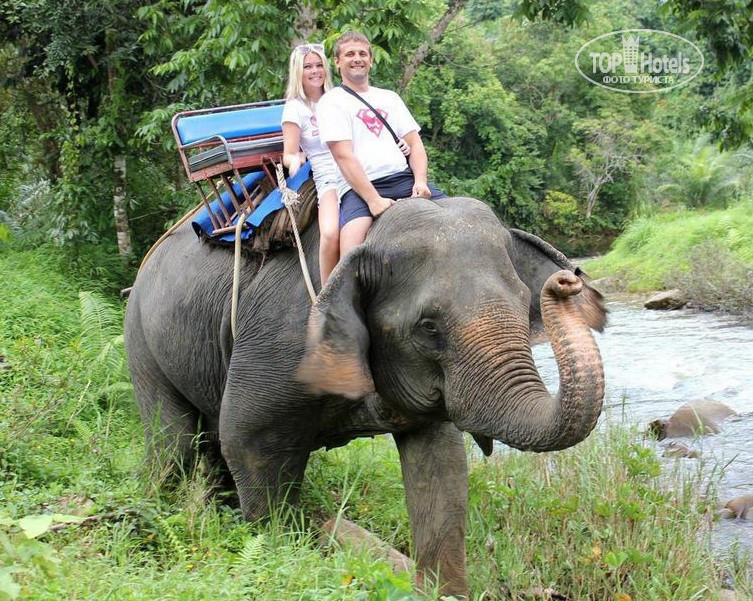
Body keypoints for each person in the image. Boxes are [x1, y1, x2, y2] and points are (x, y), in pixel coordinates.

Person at [317, 31, 445, 256]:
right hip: (361, 189)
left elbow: (414, 144)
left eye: (362, 54)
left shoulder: (389, 98)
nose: (357, 58)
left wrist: (421, 181)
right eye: (350, 54)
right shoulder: (331, 102)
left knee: (460, 220)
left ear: (371, 60)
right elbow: (343, 156)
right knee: (352, 252)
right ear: (337, 62)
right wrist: (373, 200)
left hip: (404, 179)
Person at [281, 42, 340, 285]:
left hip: (357, 163)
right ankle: (327, 296)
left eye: (319, 65)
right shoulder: (295, 109)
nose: (315, 71)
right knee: (329, 232)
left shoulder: (338, 99)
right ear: (298, 72)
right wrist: (296, 159)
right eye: (308, 67)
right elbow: (289, 152)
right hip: (328, 172)